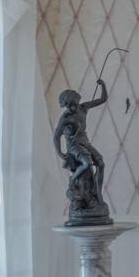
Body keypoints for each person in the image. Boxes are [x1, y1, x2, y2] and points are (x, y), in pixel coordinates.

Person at [53, 79, 112, 226]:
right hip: (73, 145)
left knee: (101, 163)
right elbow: (56, 136)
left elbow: (103, 99)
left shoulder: (83, 108)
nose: (72, 108)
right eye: (68, 106)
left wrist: (103, 85)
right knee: (86, 163)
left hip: (85, 141)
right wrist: (60, 153)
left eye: (73, 104)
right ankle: (73, 181)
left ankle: (98, 196)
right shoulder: (65, 118)